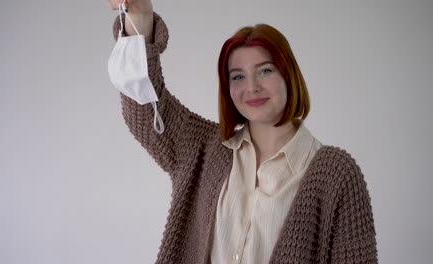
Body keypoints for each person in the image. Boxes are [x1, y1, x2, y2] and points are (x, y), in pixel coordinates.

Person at [106, 0, 378, 263]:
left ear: (289, 75)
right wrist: (140, 15)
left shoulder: (337, 174)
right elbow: (145, 109)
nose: (252, 87)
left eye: (265, 71)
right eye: (237, 76)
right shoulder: (203, 148)